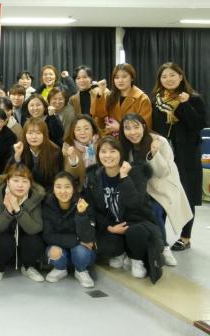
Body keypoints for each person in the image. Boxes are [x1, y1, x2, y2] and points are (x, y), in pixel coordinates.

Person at [83, 137, 163, 282]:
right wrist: (109, 227)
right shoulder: (94, 176)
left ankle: (136, 258)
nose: (108, 155)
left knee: (135, 232)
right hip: (112, 223)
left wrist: (125, 177)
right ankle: (121, 252)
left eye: (113, 151)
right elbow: (92, 209)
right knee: (104, 246)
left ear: (121, 153)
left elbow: (135, 204)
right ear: (98, 155)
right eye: (103, 151)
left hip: (137, 222)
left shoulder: (136, 172)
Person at [119, 113, 192, 266]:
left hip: (162, 189)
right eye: (127, 128)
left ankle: (163, 247)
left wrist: (154, 153)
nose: (132, 132)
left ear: (144, 127)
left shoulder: (160, 142)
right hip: (141, 188)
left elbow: (163, 172)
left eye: (136, 127)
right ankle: (133, 249)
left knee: (155, 211)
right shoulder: (125, 146)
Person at [150, 62, 207, 252]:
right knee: (162, 194)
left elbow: (198, 124)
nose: (168, 79)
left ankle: (185, 237)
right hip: (165, 155)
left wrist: (185, 104)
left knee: (187, 195)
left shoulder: (193, 99)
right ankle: (160, 236)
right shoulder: (156, 100)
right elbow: (153, 127)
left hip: (187, 156)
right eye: (164, 76)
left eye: (172, 75)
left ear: (181, 77)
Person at [0, 162, 45, 283]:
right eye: (16, 180)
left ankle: (28, 267)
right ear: (8, 182)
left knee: (34, 240)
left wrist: (18, 210)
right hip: (5, 237)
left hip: (25, 238)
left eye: (25, 181)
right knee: (2, 241)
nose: (20, 185)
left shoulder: (35, 197)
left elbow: (36, 228)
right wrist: (8, 212)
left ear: (30, 184)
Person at [42, 172, 96, 288]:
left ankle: (81, 270)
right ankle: (60, 268)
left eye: (67, 187)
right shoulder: (47, 205)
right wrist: (77, 240)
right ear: (53, 189)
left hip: (79, 251)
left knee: (81, 251)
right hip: (63, 249)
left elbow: (87, 238)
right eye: (58, 187)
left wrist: (81, 215)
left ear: (73, 189)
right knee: (53, 251)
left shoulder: (83, 203)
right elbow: (48, 235)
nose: (63, 191)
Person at [97, 63, 152, 135]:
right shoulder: (109, 96)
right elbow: (100, 123)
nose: (120, 80)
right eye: (117, 77)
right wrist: (100, 94)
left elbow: (145, 127)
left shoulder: (142, 98)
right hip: (112, 140)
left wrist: (120, 127)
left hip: (133, 139)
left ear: (132, 78)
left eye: (124, 77)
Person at [13, 117, 63, 190]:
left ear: (45, 134)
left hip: (47, 190)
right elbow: (12, 176)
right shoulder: (18, 148)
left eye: (38, 133)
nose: (34, 137)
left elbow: (57, 178)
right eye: (30, 133)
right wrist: (17, 157)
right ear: (25, 134)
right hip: (23, 189)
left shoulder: (55, 151)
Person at [62, 114, 101, 186]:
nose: (82, 132)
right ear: (73, 132)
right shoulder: (68, 149)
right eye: (78, 129)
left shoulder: (101, 145)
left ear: (93, 129)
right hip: (81, 188)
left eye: (86, 128)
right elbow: (70, 177)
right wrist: (73, 161)